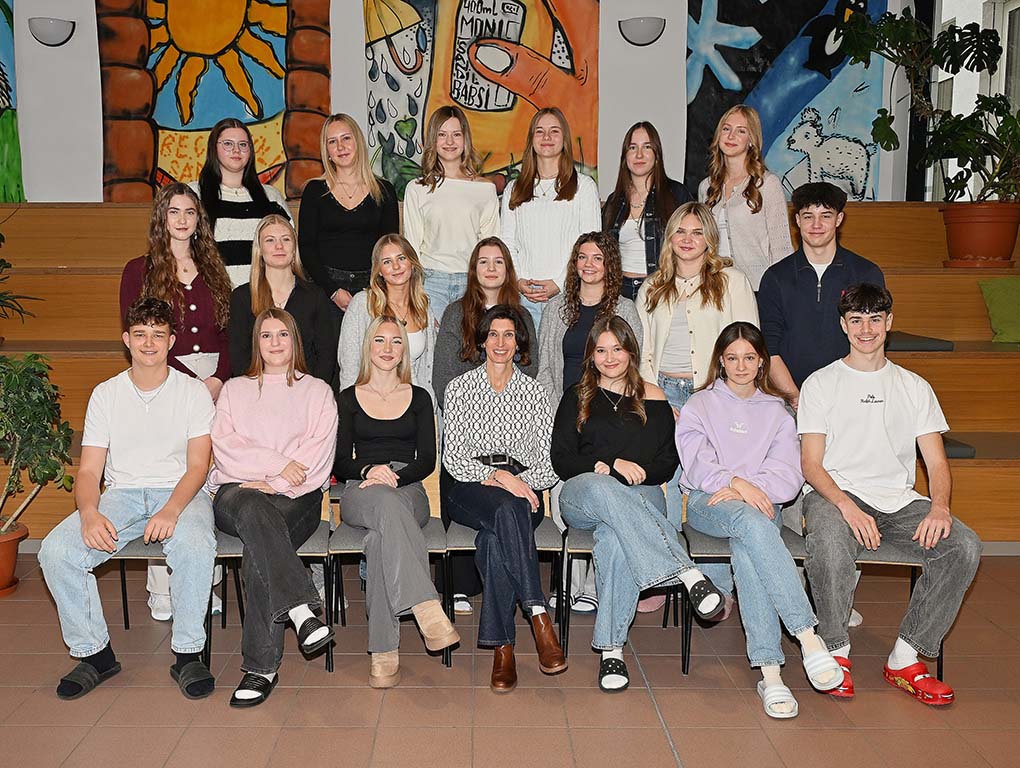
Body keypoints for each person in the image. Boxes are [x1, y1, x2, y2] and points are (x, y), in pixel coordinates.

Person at [799, 283, 982, 705]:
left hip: (898, 500)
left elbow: (936, 462)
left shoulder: (914, 386)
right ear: (843, 325)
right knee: (830, 540)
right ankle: (835, 651)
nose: (866, 330)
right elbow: (811, 464)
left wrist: (940, 507)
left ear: (889, 323)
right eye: (857, 320)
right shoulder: (820, 383)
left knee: (964, 546)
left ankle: (905, 657)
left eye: (875, 319)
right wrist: (846, 505)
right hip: (835, 493)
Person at [39, 298, 217, 701]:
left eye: (158, 334)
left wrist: (171, 510)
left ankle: (188, 654)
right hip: (122, 494)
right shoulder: (106, 394)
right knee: (57, 551)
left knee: (194, 543)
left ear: (171, 341)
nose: (149, 343)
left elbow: (198, 467)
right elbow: (89, 472)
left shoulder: (193, 392)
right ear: (126, 339)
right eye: (140, 334)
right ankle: (95, 655)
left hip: (181, 491)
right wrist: (88, 512)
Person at [677, 321, 843, 718]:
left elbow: (789, 473)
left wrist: (751, 490)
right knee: (754, 526)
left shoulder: (778, 412)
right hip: (708, 502)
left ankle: (771, 675)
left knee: (749, 546)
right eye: (732, 358)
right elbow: (697, 462)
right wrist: (737, 484)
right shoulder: (699, 404)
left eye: (749, 358)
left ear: (761, 362)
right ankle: (808, 637)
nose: (740, 366)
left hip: (762, 504)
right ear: (720, 361)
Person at [552, 317, 725, 692]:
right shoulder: (576, 396)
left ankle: (611, 650)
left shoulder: (655, 397)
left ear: (631, 351)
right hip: (584, 495)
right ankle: (685, 572)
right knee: (602, 488)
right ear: (591, 356)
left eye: (617, 348)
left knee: (616, 541)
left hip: (641, 495)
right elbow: (562, 460)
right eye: (601, 350)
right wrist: (611, 464)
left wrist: (641, 471)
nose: (609, 357)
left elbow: (667, 462)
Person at [209, 308, 337, 707]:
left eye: (282, 334)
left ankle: (261, 669)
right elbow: (226, 449)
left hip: (297, 497)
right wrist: (279, 464)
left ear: (294, 340)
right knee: (253, 508)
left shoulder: (318, 391)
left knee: (258, 549)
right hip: (236, 494)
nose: (275, 342)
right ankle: (301, 610)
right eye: (266, 335)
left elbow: (317, 456)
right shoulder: (234, 390)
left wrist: (277, 482)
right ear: (256, 343)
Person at [636, 200, 758, 611]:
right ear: (669, 238)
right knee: (665, 481)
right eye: (680, 232)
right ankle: (667, 574)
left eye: (697, 232)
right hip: (661, 392)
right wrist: (656, 398)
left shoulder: (732, 282)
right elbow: (642, 353)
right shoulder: (652, 287)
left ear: (710, 238)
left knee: (711, 481)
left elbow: (747, 344)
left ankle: (716, 583)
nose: (688, 240)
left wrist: (716, 397)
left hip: (714, 393)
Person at [119, 183, 232, 621]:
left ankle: (202, 582)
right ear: (161, 218)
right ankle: (162, 589)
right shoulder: (139, 270)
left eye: (189, 212)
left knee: (208, 481)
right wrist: (188, 383)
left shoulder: (214, 268)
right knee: (169, 478)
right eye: (173, 212)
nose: (182, 220)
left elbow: (230, 332)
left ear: (199, 220)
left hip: (216, 384)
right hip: (165, 381)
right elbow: (141, 335)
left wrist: (219, 379)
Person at [443, 305, 566, 692]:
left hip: (524, 488)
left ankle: (503, 649)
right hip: (469, 487)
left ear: (519, 343)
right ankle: (538, 611)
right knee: (507, 507)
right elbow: (453, 458)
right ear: (482, 341)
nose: (500, 342)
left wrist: (519, 482)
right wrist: (498, 477)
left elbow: (549, 464)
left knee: (495, 539)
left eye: (509, 335)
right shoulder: (459, 389)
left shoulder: (535, 393)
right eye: (493, 334)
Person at [334, 316, 459, 687]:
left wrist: (393, 477)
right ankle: (425, 605)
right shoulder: (348, 398)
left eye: (396, 341)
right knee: (384, 506)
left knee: (378, 540)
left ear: (405, 350)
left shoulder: (420, 397)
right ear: (368, 347)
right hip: (361, 488)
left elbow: (427, 460)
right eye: (380, 340)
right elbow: (339, 462)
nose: (387, 349)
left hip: (409, 489)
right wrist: (370, 469)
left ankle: (384, 652)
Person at [431, 236, 537, 616]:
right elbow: (443, 379)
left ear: (508, 270)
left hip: (511, 445)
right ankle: (530, 605)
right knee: (493, 506)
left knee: (495, 532)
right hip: (467, 442)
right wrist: (478, 413)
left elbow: (529, 373)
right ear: (473, 270)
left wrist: (503, 417)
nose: (491, 269)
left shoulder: (523, 317)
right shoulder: (456, 313)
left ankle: (504, 623)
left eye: (498, 262)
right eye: (483, 262)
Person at [537, 231, 641, 613]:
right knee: (563, 493)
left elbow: (632, 367)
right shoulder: (556, 308)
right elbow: (546, 368)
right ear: (574, 263)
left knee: (603, 495)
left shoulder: (625, 309)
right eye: (583, 257)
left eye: (598, 257)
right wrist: (553, 415)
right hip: (564, 414)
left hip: (608, 418)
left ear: (609, 264)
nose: (589, 264)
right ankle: (569, 581)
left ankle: (596, 582)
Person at [757, 182, 886, 408]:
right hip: (789, 401)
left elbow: (872, 340)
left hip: (851, 399)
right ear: (797, 220)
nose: (816, 225)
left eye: (826, 216)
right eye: (808, 216)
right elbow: (769, 348)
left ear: (839, 219)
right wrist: (796, 399)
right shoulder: (775, 277)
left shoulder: (866, 273)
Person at [501, 107, 601, 327]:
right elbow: (507, 242)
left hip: (567, 297)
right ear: (531, 140)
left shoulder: (584, 187)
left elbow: (590, 247)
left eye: (554, 131)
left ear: (564, 139)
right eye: (540, 131)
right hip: (523, 299)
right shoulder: (514, 189)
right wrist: (518, 280)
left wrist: (559, 282)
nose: (546, 137)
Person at [404, 105, 500, 320]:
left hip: (471, 282)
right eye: (442, 135)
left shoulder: (485, 189)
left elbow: (491, 246)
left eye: (456, 134)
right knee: (434, 342)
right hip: (431, 282)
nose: (449, 142)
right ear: (433, 140)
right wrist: (414, 288)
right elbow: (412, 245)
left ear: (465, 139)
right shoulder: (417, 189)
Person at [299, 114, 399, 314]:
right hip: (325, 289)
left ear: (358, 142)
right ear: (326, 151)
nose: (340, 146)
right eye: (332, 141)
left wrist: (376, 289)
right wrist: (333, 291)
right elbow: (306, 247)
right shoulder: (314, 191)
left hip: (372, 289)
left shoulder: (384, 190)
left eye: (346, 138)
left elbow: (389, 246)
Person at [228, 214, 339, 385]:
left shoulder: (315, 296)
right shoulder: (242, 298)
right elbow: (239, 358)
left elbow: (326, 356)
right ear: (259, 249)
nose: (279, 246)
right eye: (270, 240)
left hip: (306, 391)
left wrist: (312, 391)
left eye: (286, 239)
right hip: (258, 391)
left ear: (294, 248)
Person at [698, 105, 793, 291]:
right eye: (726, 129)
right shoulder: (706, 187)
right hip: (715, 288)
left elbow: (781, 246)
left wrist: (782, 292)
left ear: (751, 140)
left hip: (758, 288)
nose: (731, 136)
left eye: (741, 131)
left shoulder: (767, 184)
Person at [191, 117, 292, 287]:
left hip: (263, 295)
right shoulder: (194, 194)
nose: (236, 150)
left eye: (243, 144)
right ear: (213, 148)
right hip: (211, 295)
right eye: (228, 144)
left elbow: (291, 250)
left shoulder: (271, 197)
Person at [337, 234, 437, 402]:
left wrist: (429, 406)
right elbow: (349, 364)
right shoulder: (363, 304)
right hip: (372, 402)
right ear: (379, 271)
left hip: (415, 402)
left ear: (412, 263)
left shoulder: (423, 307)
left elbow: (429, 369)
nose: (396, 266)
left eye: (401, 258)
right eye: (387, 262)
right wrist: (350, 408)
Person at [602, 121, 693, 300]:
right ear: (625, 156)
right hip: (619, 293)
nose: (639, 154)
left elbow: (696, 244)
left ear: (657, 154)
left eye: (647, 147)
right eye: (632, 147)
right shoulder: (614, 201)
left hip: (662, 289)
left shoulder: (676, 194)